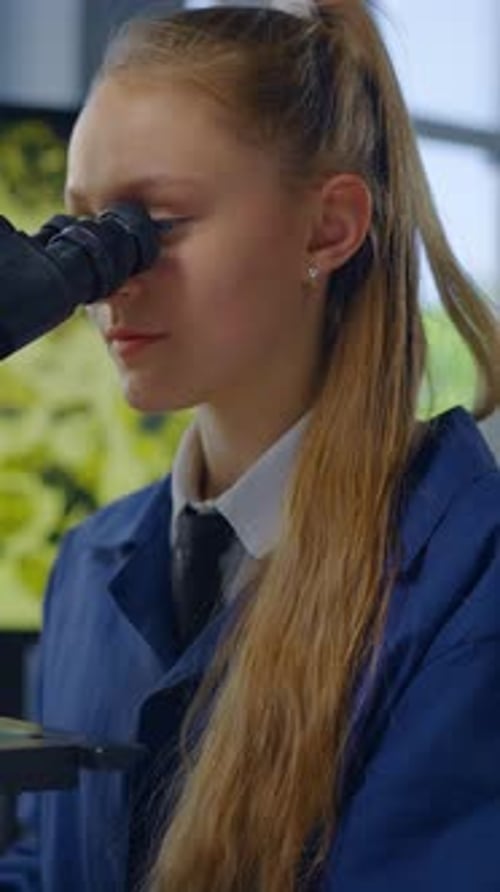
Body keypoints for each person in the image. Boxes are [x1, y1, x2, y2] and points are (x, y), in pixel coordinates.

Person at [1, 1, 500, 890]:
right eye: (78, 229)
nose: (107, 281)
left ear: (328, 228)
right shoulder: (89, 564)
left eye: (155, 223)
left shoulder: (471, 573)